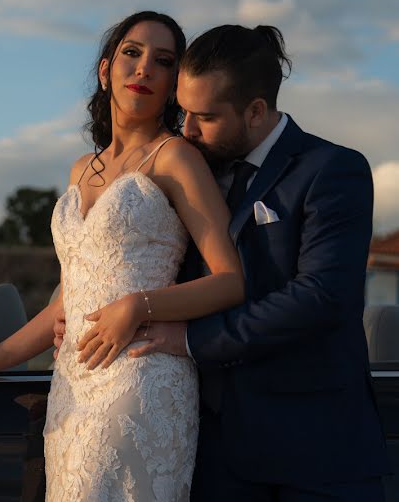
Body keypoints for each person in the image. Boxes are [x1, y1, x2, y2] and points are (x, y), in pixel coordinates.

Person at [0, 10, 246, 501]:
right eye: (132, 54)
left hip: (140, 375)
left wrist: (138, 306)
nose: (144, 70)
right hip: (71, 383)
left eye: (162, 61)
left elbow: (230, 280)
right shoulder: (79, 171)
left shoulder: (176, 158)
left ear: (175, 82)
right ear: (105, 69)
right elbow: (70, 298)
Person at [57, 25, 389, 500]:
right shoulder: (191, 167)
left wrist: (191, 339)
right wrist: (77, 315)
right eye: (184, 112)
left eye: (204, 117)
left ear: (256, 111)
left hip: (314, 450)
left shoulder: (332, 169)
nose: (186, 129)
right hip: (212, 453)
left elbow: (321, 298)